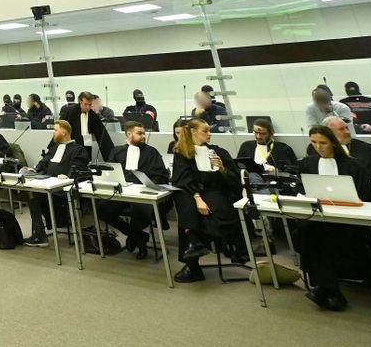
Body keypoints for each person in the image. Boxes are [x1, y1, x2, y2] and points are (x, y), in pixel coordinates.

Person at [296, 125, 371, 311]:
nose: (318, 147)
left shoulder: (353, 166)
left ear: (333, 144)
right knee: (307, 232)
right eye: (314, 142)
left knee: (320, 236)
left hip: (350, 221)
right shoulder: (308, 164)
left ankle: (326, 289)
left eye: (323, 143)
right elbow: (301, 189)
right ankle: (329, 288)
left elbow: (366, 197)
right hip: (320, 217)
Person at [170, 117, 244, 282]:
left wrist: (223, 169)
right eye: (206, 131)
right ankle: (194, 252)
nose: (209, 134)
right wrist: (197, 198)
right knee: (184, 199)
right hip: (193, 193)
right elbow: (183, 179)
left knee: (207, 209)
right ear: (194, 132)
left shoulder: (219, 152)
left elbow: (234, 179)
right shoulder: (182, 153)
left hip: (215, 191)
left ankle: (194, 248)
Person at [99, 121, 170, 258]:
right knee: (102, 208)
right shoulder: (117, 151)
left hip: (143, 195)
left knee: (140, 211)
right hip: (121, 194)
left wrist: (146, 184)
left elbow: (161, 176)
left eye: (144, 133)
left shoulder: (151, 152)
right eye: (139, 133)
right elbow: (110, 172)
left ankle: (138, 242)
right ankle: (137, 236)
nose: (143, 136)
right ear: (129, 134)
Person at [22, 120, 88, 246]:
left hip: (63, 189)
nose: (54, 133)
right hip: (48, 184)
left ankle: (40, 235)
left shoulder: (77, 149)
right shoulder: (54, 148)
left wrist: (68, 175)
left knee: (34, 197)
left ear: (64, 132)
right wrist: (35, 169)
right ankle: (40, 233)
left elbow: (78, 166)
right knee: (30, 191)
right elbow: (45, 161)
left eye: (56, 130)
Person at [61, 92, 114, 160]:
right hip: (72, 146)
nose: (88, 107)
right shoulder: (70, 111)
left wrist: (111, 156)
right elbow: (61, 127)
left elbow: (102, 135)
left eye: (90, 104)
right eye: (85, 104)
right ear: (80, 101)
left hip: (86, 146)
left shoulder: (92, 115)